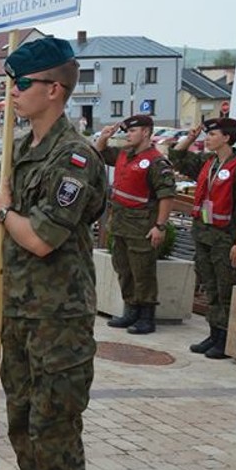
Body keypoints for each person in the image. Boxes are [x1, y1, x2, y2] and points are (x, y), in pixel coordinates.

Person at [0, 37, 106, 470]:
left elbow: (40, 239)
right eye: (11, 82)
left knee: (53, 423)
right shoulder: (19, 149)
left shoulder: (73, 159)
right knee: (21, 419)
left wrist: (5, 210)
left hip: (58, 319)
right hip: (17, 312)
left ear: (55, 89)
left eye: (23, 83)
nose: (12, 91)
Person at [168, 118, 236, 360]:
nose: (207, 139)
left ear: (227, 138)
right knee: (210, 287)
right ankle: (214, 334)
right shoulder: (207, 163)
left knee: (226, 289)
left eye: (212, 135)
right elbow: (177, 159)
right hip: (204, 234)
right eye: (206, 135)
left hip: (226, 239)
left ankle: (225, 338)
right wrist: (189, 137)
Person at [93, 115, 176, 335]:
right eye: (127, 131)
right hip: (120, 221)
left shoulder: (157, 162)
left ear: (146, 132)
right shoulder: (124, 154)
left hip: (142, 223)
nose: (128, 134)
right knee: (123, 267)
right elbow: (99, 153)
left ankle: (146, 316)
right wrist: (104, 136)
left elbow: (167, 196)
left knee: (143, 270)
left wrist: (160, 226)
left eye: (133, 131)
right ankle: (130, 309)